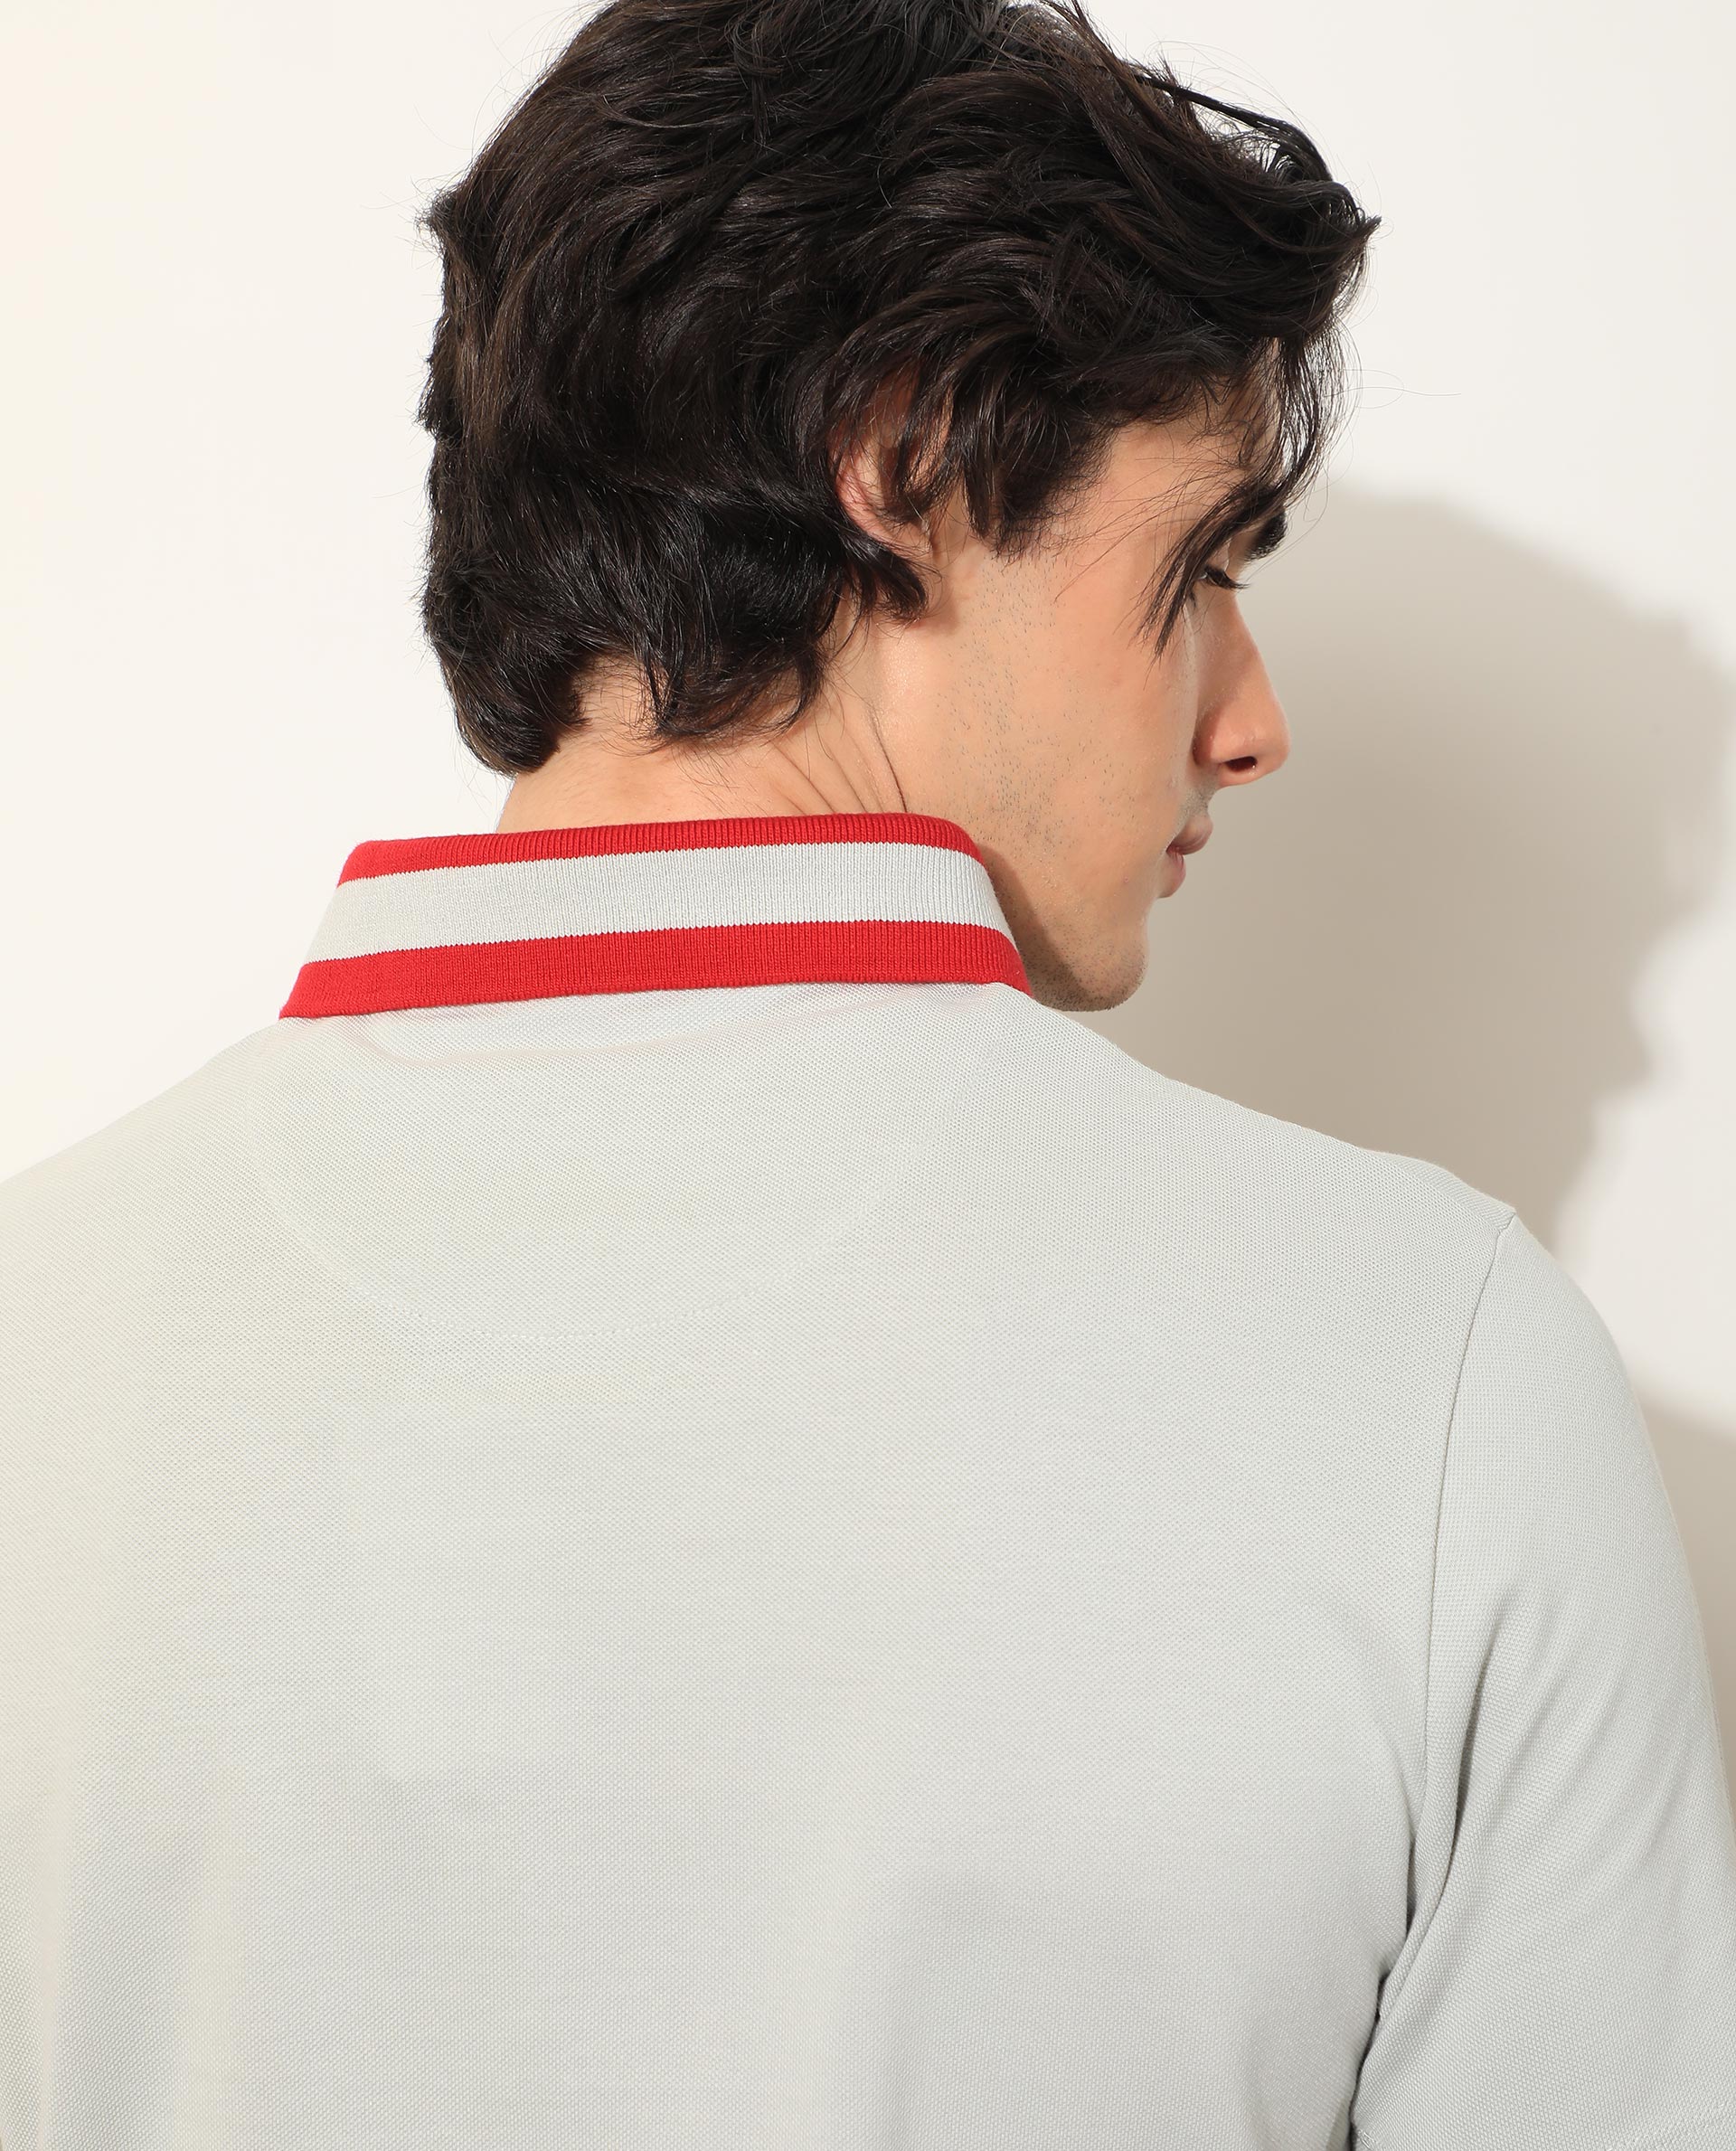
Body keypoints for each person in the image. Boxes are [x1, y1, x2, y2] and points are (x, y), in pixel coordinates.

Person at [3, 0, 1733, 2143]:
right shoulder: (1436, 1370)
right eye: (1202, 566)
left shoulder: (30, 1339)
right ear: (904, 462)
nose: (1251, 718)